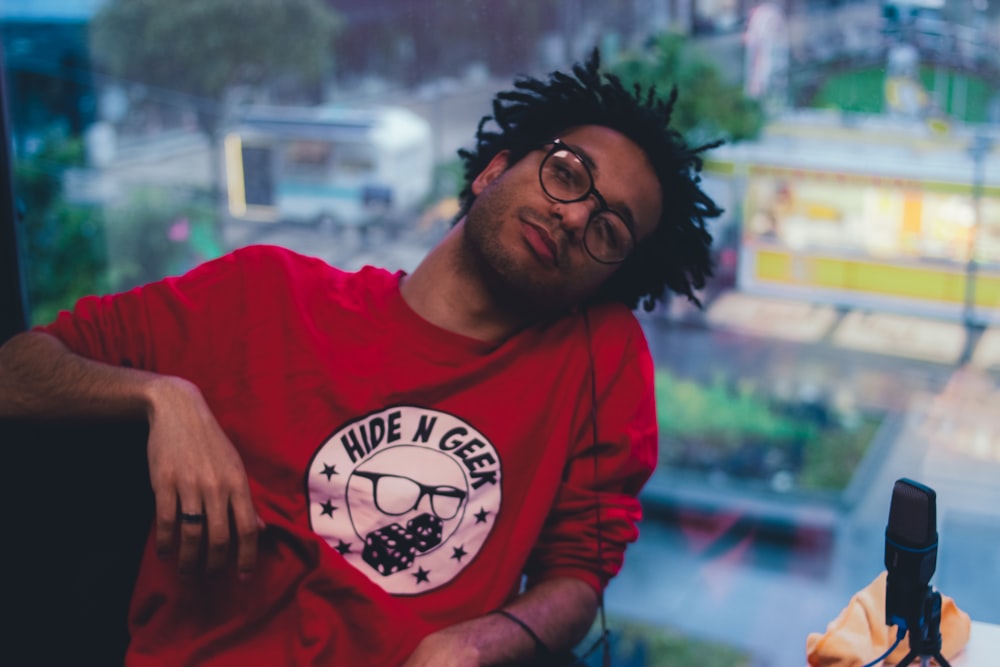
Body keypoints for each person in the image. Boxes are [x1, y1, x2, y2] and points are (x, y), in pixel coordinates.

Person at [0, 50, 721, 666]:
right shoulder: (262, 293)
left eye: (609, 230)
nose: (574, 216)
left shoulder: (593, 355)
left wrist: (476, 642)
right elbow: (15, 370)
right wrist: (163, 396)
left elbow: (580, 575)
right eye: (567, 174)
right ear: (493, 169)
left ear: (606, 278)